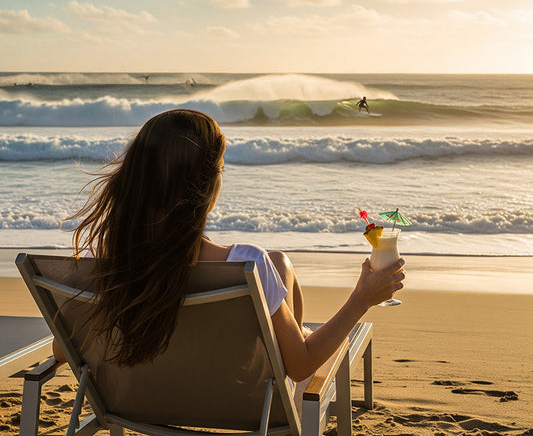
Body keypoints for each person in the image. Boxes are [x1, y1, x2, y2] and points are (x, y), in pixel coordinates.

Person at [54, 109, 404, 382]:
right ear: (206, 188)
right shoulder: (246, 263)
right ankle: (296, 334)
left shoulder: (107, 267)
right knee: (273, 268)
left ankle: (293, 331)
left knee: (279, 263)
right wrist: (361, 299)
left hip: (136, 404)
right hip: (246, 407)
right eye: (220, 169)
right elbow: (300, 367)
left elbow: (61, 349)